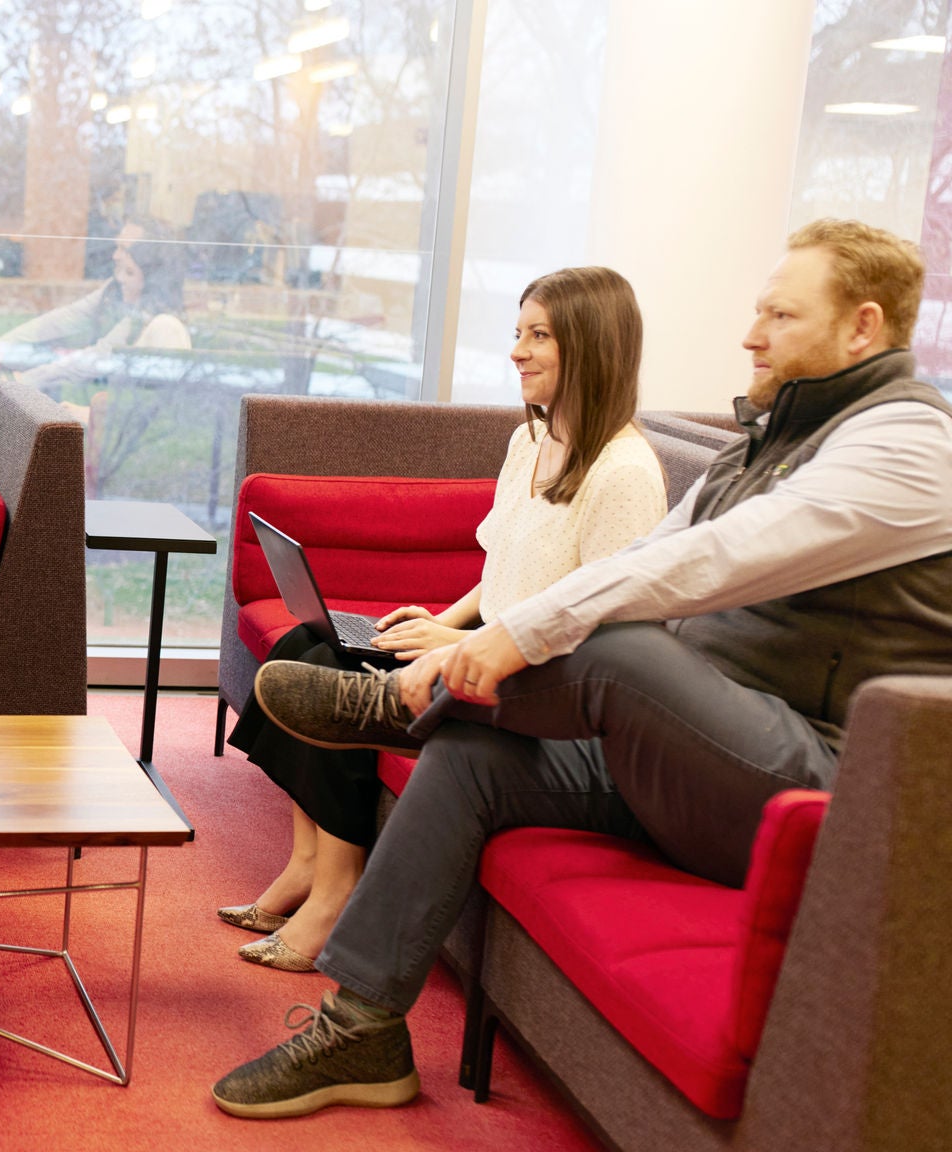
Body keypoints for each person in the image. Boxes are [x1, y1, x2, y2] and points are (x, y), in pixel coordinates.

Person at [210, 218, 952, 1119]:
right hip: (703, 765)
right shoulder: (769, 438)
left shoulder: (910, 448)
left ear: (864, 327)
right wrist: (490, 636)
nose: (751, 335)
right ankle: (361, 1029)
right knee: (473, 760)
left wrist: (501, 644)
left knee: (616, 651)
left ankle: (401, 706)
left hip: (809, 794)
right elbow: (652, 554)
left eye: (780, 316)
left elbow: (714, 561)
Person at [220, 266, 667, 971]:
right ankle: (306, 861)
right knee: (310, 640)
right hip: (480, 644)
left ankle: (335, 893)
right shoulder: (530, 442)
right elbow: (500, 571)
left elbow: (603, 632)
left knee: (334, 670)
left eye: (539, 336)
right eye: (518, 333)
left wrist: (460, 644)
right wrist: (439, 621)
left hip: (533, 681)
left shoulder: (625, 474)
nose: (517, 352)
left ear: (591, 343)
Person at [0, 217, 191, 394]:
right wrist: (5, 344)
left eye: (124, 249)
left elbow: (97, 357)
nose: (115, 255)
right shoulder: (116, 290)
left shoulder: (159, 321)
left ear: (148, 261)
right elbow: (65, 318)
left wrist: (25, 381)